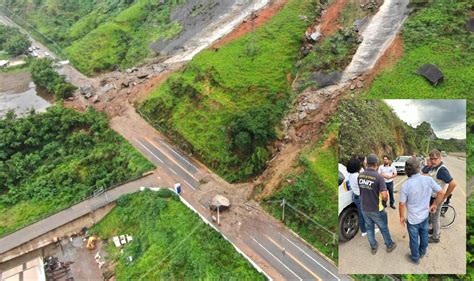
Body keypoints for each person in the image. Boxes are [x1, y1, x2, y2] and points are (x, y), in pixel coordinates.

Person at [399, 157, 445, 264]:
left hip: (413, 219)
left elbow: (402, 204)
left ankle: (415, 258)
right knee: (424, 235)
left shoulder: (405, 185)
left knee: (414, 239)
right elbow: (441, 193)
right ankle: (422, 252)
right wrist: (434, 204)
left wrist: (401, 217)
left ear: (406, 170)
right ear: (419, 168)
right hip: (425, 216)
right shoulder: (428, 179)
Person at [359, 154, 397, 255]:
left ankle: (373, 246)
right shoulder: (379, 177)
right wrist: (385, 201)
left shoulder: (360, 175)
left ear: (367, 163)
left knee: (369, 228)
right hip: (376, 208)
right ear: (376, 164)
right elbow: (384, 195)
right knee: (383, 227)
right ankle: (389, 245)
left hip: (364, 207)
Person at [427, 149, 457, 243]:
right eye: (431, 159)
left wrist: (443, 197)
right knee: (432, 216)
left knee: (435, 218)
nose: (433, 161)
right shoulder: (434, 167)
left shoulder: (442, 170)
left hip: (437, 198)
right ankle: (434, 231)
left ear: (440, 158)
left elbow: (453, 184)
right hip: (432, 197)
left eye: (435, 159)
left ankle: (436, 237)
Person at [347, 158, 380, 237]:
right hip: (360, 197)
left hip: (355, 196)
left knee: (361, 214)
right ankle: (366, 230)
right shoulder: (357, 176)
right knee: (366, 214)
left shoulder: (351, 175)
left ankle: (364, 230)